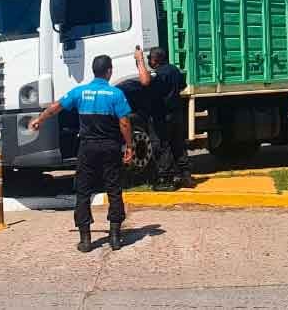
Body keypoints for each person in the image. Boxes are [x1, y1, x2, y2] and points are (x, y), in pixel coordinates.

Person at [29, 55, 133, 253]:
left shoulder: (80, 92)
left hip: (87, 148)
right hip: (110, 147)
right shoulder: (115, 94)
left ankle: (85, 240)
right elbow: (125, 123)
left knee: (83, 191)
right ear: (109, 71)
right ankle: (115, 237)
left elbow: (56, 107)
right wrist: (129, 145)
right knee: (114, 189)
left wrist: (39, 120)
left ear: (93, 71)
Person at [135, 46, 195, 191]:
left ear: (155, 60)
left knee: (162, 146)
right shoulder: (174, 70)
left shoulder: (159, 74)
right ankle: (186, 176)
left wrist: (140, 60)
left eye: (150, 58)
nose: (149, 61)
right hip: (176, 114)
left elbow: (145, 82)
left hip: (162, 116)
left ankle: (166, 179)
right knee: (178, 145)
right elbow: (182, 86)